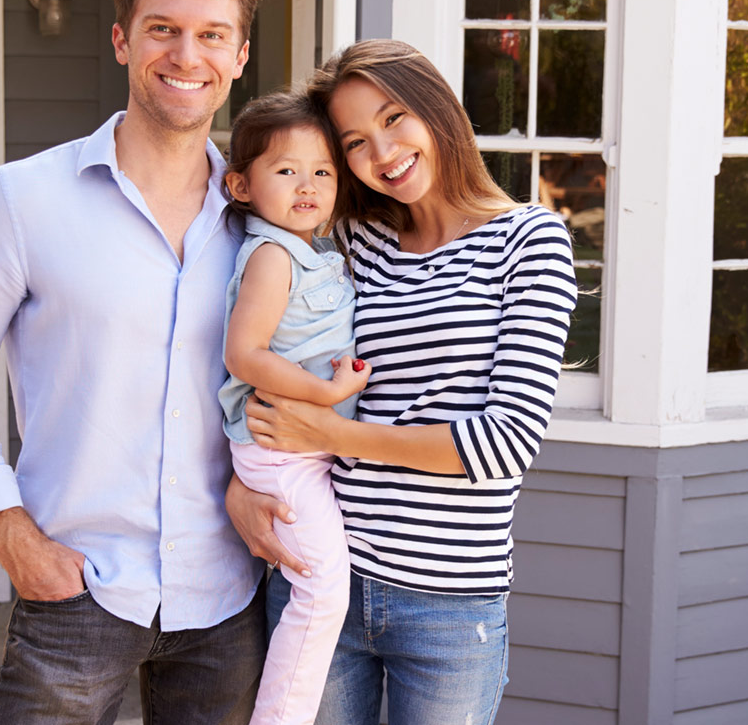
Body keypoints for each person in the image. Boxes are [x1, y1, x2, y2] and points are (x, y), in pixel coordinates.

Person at [0, 0, 267, 725]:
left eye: (213, 35)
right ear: (121, 40)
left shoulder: (261, 218)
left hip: (228, 597)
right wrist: (9, 535)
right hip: (77, 590)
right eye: (162, 29)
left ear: (240, 56)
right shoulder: (21, 199)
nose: (186, 55)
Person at [226, 40, 578, 725]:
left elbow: (505, 443)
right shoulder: (353, 241)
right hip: (321, 572)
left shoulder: (528, 240)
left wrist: (333, 433)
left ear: (435, 107)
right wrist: (241, 485)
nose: (382, 153)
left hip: (449, 606)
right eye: (355, 142)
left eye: (393, 119)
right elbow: (256, 348)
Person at [215, 92, 365, 725]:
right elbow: (244, 353)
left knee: (320, 585)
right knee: (323, 590)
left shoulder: (314, 251)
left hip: (302, 451)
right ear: (241, 186)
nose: (308, 185)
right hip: (280, 453)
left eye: (322, 171)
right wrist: (326, 395)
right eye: (286, 170)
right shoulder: (273, 256)